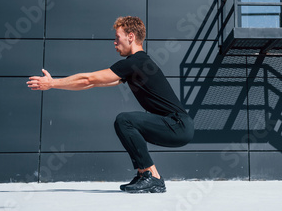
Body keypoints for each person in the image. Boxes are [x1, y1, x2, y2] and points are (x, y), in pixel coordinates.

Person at [27, 16, 194, 193]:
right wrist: (57, 85)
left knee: (125, 120)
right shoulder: (137, 64)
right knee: (125, 122)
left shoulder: (135, 62)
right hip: (178, 126)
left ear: (131, 37)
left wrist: (53, 83)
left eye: (117, 37)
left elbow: (88, 78)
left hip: (178, 125)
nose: (114, 43)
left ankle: (152, 176)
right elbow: (92, 82)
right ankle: (144, 174)